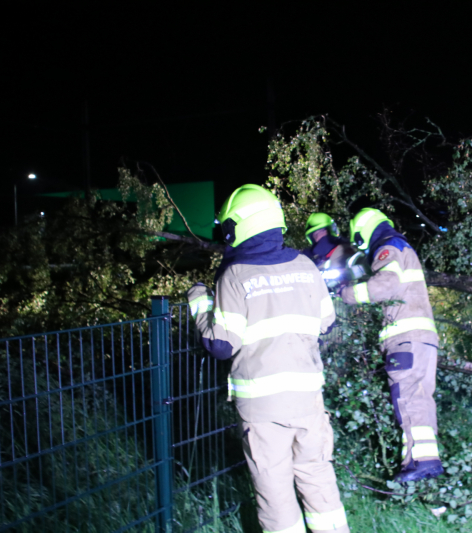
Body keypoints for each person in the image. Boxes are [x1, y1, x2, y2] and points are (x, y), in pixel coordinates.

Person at [186, 185, 349, 533]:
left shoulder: (235, 276)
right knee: (318, 477)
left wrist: (199, 301)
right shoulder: (306, 265)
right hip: (309, 402)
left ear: (237, 226)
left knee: (275, 492)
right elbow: (327, 323)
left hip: (263, 409)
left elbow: (221, 346)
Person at [338, 208, 443, 483]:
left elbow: (385, 286)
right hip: (423, 340)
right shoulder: (402, 245)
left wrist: (346, 293)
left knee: (407, 397)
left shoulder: (387, 247)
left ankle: (419, 462)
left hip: (405, 339)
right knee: (421, 398)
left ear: (362, 231)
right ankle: (425, 461)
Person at [302, 212, 367, 293]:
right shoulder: (318, 260)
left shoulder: (346, 249)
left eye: (322, 231)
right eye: (315, 235)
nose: (318, 237)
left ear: (330, 230)